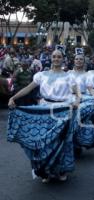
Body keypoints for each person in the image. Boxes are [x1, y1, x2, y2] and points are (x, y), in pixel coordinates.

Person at [7, 50, 81, 183]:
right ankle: (45, 171)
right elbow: (27, 89)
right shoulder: (41, 75)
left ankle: (61, 170)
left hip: (62, 111)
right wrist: (13, 97)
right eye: (54, 56)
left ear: (63, 59)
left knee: (62, 142)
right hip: (44, 111)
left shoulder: (69, 77)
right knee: (43, 142)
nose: (56, 58)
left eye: (59, 56)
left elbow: (77, 93)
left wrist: (76, 102)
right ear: (51, 58)